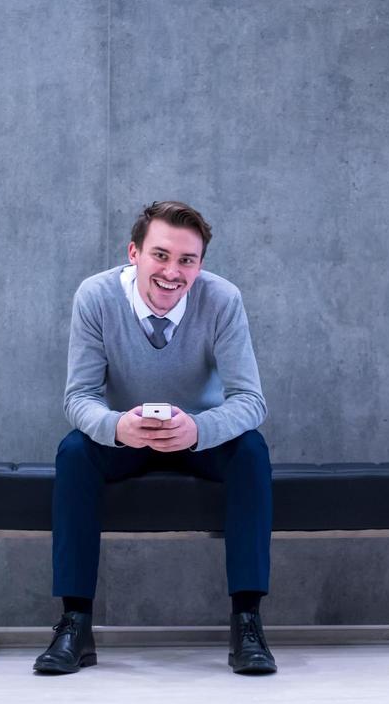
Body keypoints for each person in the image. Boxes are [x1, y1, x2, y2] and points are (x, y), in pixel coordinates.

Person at [35, 200, 276, 676]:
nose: (172, 272)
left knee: (251, 450)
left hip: (198, 438)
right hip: (126, 437)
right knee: (74, 452)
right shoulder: (96, 297)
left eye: (187, 260)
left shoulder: (222, 300)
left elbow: (251, 400)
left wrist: (199, 429)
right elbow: (79, 396)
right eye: (160, 256)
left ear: (200, 264)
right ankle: (74, 623)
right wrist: (117, 426)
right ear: (134, 253)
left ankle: (247, 621)